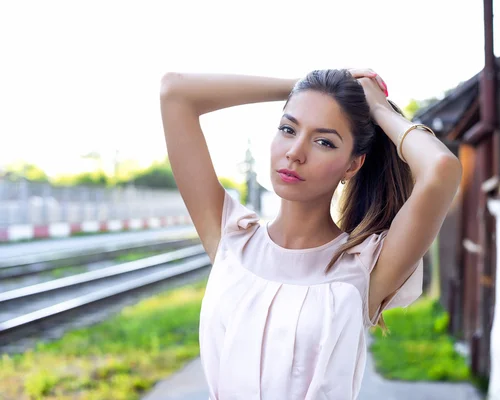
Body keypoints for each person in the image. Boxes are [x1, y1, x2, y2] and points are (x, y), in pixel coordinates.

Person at [159, 68, 462, 399]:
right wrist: (306, 85)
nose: (295, 152)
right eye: (288, 129)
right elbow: (175, 92)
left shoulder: (365, 268)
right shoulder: (232, 239)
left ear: (352, 165)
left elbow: (440, 168)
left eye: (323, 141)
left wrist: (377, 107)